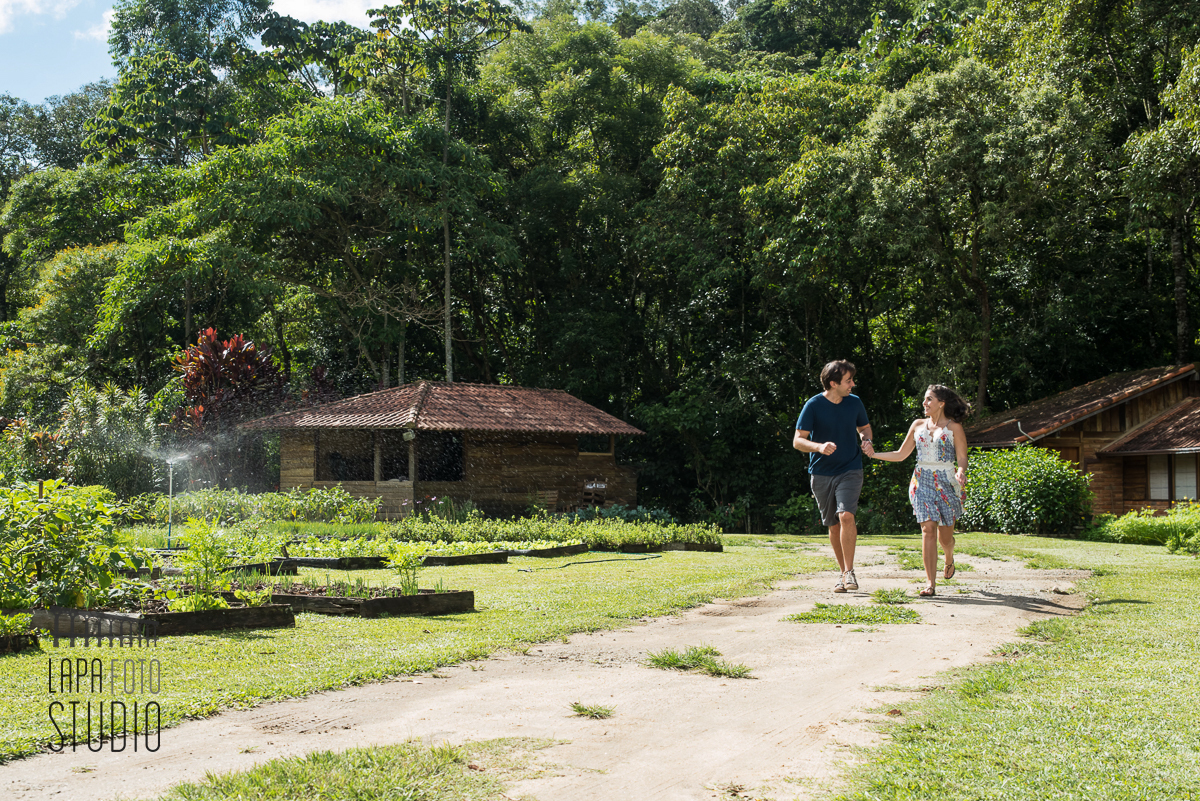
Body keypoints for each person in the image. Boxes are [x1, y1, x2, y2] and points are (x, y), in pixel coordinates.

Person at [869, 385, 970, 596]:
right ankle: (930, 584)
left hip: (947, 483)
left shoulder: (955, 428)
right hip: (921, 481)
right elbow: (900, 454)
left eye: (929, 399)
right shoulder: (917, 425)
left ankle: (949, 555)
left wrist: (961, 471)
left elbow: (961, 457)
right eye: (925, 400)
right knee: (928, 530)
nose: (924, 403)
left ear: (941, 403)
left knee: (945, 538)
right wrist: (874, 454)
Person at [793, 360, 875, 593]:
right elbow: (798, 441)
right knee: (833, 525)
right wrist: (819, 447)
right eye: (848, 380)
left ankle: (849, 572)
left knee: (846, 516)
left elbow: (865, 428)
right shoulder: (813, 405)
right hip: (821, 472)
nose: (853, 384)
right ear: (833, 383)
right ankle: (842, 572)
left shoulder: (855, 403)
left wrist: (866, 440)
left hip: (850, 468)